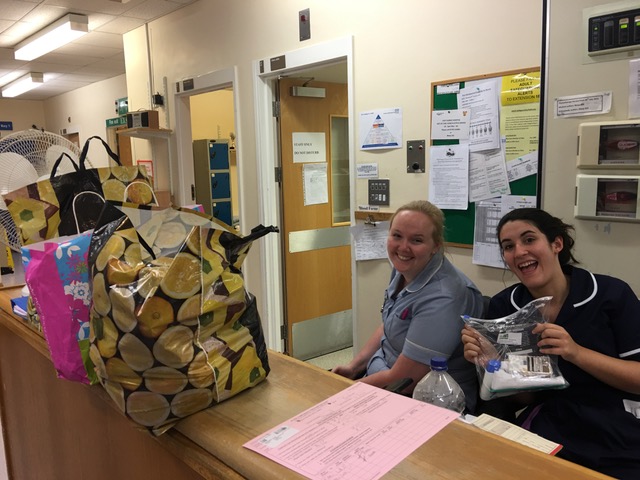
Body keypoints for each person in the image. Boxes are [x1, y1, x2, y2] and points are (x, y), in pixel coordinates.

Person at [461, 208, 640, 479]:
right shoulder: (505, 307)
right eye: (508, 246)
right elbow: (523, 397)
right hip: (553, 424)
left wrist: (576, 353)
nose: (519, 251)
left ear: (557, 244)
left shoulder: (610, 295)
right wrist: (491, 366)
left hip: (617, 424)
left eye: (529, 239)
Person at [333, 200, 484, 413]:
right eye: (397, 236)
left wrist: (344, 393)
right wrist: (353, 367)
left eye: (416, 240)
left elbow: (404, 380)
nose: (403, 247)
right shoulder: (406, 269)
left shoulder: (445, 297)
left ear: (435, 246)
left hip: (427, 401)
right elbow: (391, 324)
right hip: (383, 380)